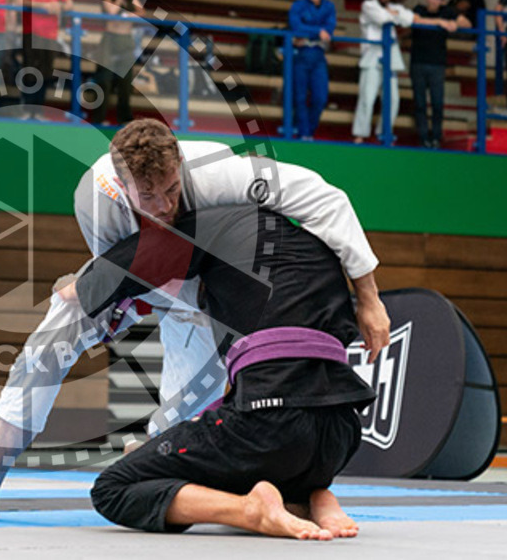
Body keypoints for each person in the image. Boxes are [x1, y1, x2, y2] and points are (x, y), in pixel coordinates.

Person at [0, 117, 390, 522]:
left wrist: (367, 297)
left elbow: (325, 198)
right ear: (122, 184)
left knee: (180, 428)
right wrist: (103, 305)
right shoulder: (96, 199)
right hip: (147, 272)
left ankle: (263, 492)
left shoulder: (216, 170)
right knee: (50, 339)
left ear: (180, 166)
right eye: (149, 196)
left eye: (171, 190)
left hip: (211, 288)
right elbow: (123, 274)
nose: (164, 205)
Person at [73, 188, 379, 538]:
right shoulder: (311, 244)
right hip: (340, 434)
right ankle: (312, 495)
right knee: (250, 461)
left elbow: (112, 273)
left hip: (271, 425)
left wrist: (74, 289)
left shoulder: (209, 226)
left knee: (114, 487)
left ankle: (251, 511)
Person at [352, 0, 414, 143]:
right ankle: (360, 134)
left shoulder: (396, 7)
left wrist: (396, 14)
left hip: (390, 58)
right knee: (367, 97)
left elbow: (409, 18)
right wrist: (396, 16)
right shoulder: (368, 5)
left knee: (393, 99)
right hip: (371, 56)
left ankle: (384, 134)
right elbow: (382, 18)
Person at [410, 0, 468, 148]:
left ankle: (436, 137)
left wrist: (456, 23)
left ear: (442, 1)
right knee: (420, 103)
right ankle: (423, 137)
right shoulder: (419, 8)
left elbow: (467, 23)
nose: (433, 1)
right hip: (418, 62)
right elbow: (415, 20)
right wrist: (440, 22)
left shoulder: (448, 11)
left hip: (437, 64)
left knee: (437, 103)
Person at [15, 0, 72, 109]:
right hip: (30, 32)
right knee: (29, 69)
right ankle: (26, 106)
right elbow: (19, 0)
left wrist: (58, 6)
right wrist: (42, 5)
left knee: (47, 71)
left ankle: (39, 108)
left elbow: (68, 4)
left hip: (50, 34)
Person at [289, 0, 335, 140]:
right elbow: (296, 26)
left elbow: (330, 28)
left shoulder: (329, 7)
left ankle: (309, 130)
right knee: (299, 96)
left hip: (318, 55)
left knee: (320, 97)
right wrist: (317, 32)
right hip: (301, 55)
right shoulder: (298, 5)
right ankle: (303, 134)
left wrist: (309, 34)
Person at [91, 0, 141, 125]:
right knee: (104, 81)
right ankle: (98, 119)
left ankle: (124, 119)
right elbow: (112, 12)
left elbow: (141, 13)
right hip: (109, 41)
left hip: (125, 41)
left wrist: (127, 15)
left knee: (125, 83)